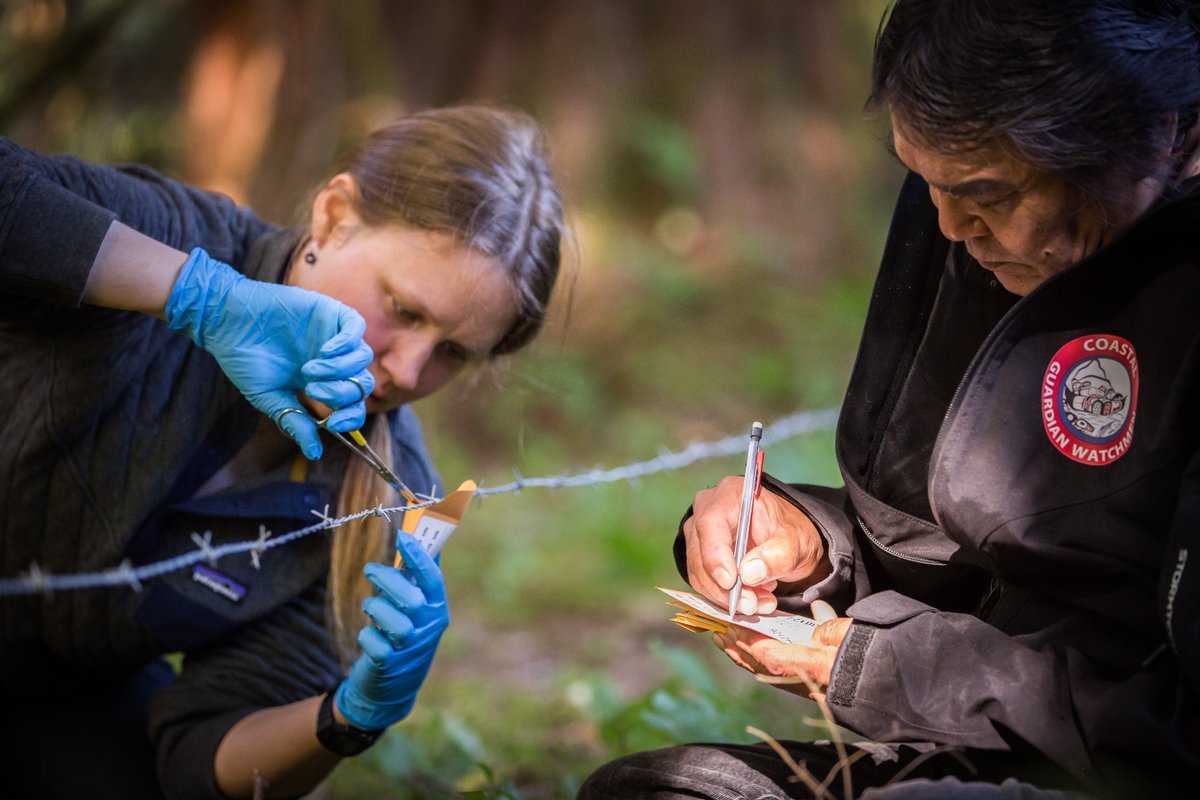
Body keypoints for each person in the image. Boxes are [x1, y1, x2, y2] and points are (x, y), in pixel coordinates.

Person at [578, 1, 1200, 798]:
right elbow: (941, 554)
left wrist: (902, 672)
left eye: (986, 194)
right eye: (923, 181)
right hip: (991, 750)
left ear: (1141, 136)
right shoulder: (973, 232)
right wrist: (810, 548)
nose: (946, 226)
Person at [0, 104, 563, 799]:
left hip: (51, 692)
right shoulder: (182, 238)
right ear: (334, 217)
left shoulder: (386, 502)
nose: (409, 373)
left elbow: (202, 759)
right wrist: (199, 297)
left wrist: (347, 716)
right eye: (405, 311)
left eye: (451, 352)